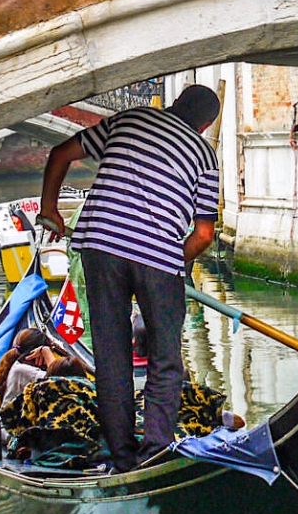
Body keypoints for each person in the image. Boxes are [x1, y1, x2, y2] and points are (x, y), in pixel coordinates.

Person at [39, 84, 221, 473]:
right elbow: (203, 235)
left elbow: (60, 153)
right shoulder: (205, 155)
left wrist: (50, 209)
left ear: (174, 103)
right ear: (206, 124)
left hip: (100, 245)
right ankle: (154, 451)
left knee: (112, 355)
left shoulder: (130, 119)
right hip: (158, 257)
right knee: (166, 360)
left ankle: (122, 459)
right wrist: (175, 259)